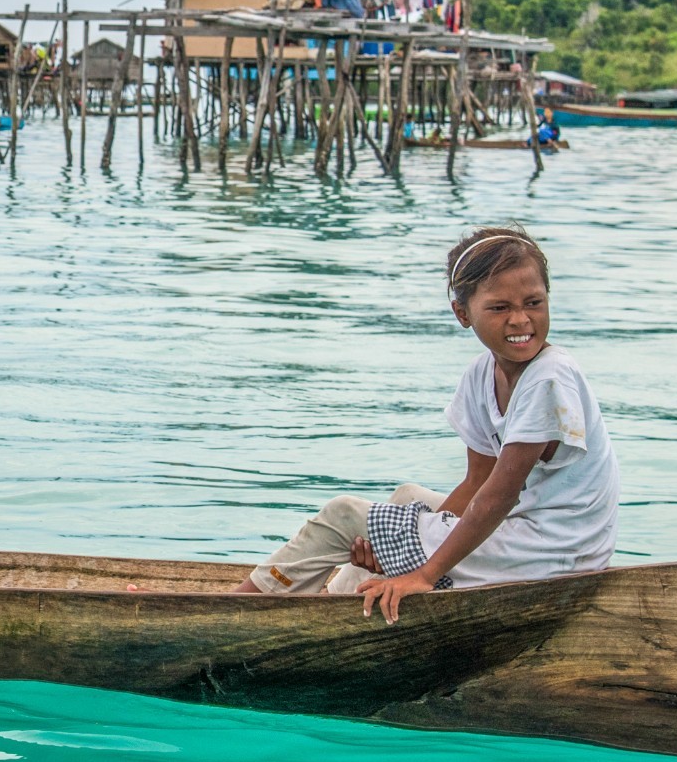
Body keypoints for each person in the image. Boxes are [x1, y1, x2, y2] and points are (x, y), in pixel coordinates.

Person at [231, 225, 619, 623]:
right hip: (527, 536)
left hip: (556, 554)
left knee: (343, 515)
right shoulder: (481, 374)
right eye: (500, 308)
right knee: (404, 498)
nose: (521, 320)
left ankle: (234, 614)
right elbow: (476, 483)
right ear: (463, 314)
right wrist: (391, 551)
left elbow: (497, 498)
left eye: (533, 303)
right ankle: (338, 607)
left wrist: (424, 574)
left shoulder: (548, 377)